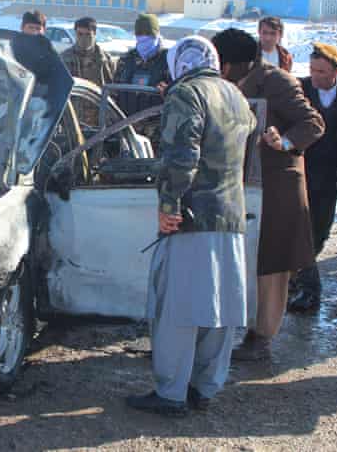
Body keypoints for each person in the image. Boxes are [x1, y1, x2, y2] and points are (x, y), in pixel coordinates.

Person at [126, 36, 257, 417]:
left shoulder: (187, 94)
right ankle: (205, 386)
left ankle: (171, 393)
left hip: (192, 216)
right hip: (230, 215)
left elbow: (183, 154)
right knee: (218, 310)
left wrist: (169, 203)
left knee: (177, 310)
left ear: (179, 63)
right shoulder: (235, 95)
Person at [210, 29, 324, 360]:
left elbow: (313, 122)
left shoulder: (277, 82)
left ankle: (262, 338)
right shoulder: (228, 82)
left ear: (230, 64)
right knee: (244, 259)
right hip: (241, 183)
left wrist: (285, 141)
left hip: (277, 187)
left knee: (271, 265)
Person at [289, 43, 337, 312]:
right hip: (306, 166)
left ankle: (301, 270)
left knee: (322, 226)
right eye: (312, 70)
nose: (315, 76)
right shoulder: (301, 88)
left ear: (336, 71)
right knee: (302, 224)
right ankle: (301, 279)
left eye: (322, 71)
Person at [114, 13, 171, 94]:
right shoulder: (126, 60)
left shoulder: (168, 60)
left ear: (157, 34)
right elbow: (114, 91)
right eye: (139, 34)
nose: (144, 37)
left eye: (148, 34)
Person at [59, 17, 115, 88]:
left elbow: (112, 88)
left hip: (96, 97)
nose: (83, 39)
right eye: (80, 34)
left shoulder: (105, 59)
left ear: (94, 34)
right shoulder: (64, 58)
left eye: (88, 34)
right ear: (75, 34)